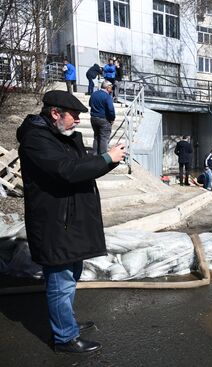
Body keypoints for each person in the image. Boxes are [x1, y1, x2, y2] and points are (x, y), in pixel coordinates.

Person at [16, 90, 126, 354]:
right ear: (55, 113)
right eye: (74, 115)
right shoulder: (36, 140)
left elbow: (81, 166)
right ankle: (65, 337)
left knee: (71, 275)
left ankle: (67, 322)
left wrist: (107, 161)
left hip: (70, 222)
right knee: (61, 280)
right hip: (55, 224)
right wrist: (106, 158)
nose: (78, 121)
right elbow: (68, 171)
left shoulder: (61, 137)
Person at [89, 80, 116, 155]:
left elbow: (90, 104)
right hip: (104, 119)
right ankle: (103, 157)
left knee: (96, 137)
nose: (112, 89)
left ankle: (95, 155)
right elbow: (111, 109)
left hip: (94, 118)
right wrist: (112, 119)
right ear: (108, 87)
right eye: (111, 87)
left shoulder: (94, 94)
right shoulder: (107, 96)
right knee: (104, 139)